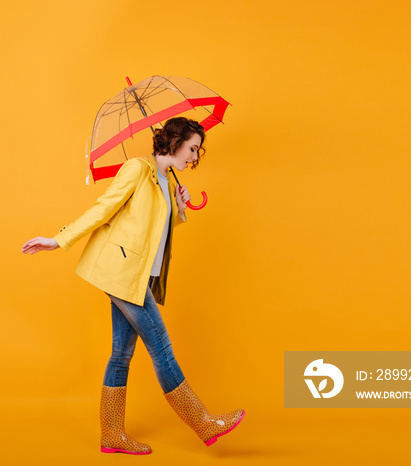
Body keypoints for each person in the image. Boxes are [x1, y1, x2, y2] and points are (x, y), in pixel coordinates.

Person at [21, 117, 244, 455]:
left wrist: (180, 207)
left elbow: (157, 228)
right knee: (162, 349)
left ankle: (111, 434)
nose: (195, 156)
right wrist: (58, 240)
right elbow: (104, 209)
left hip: (138, 275)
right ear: (174, 141)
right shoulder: (137, 170)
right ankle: (203, 422)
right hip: (121, 272)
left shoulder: (166, 181)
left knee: (121, 354)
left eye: (198, 150)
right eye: (193, 148)